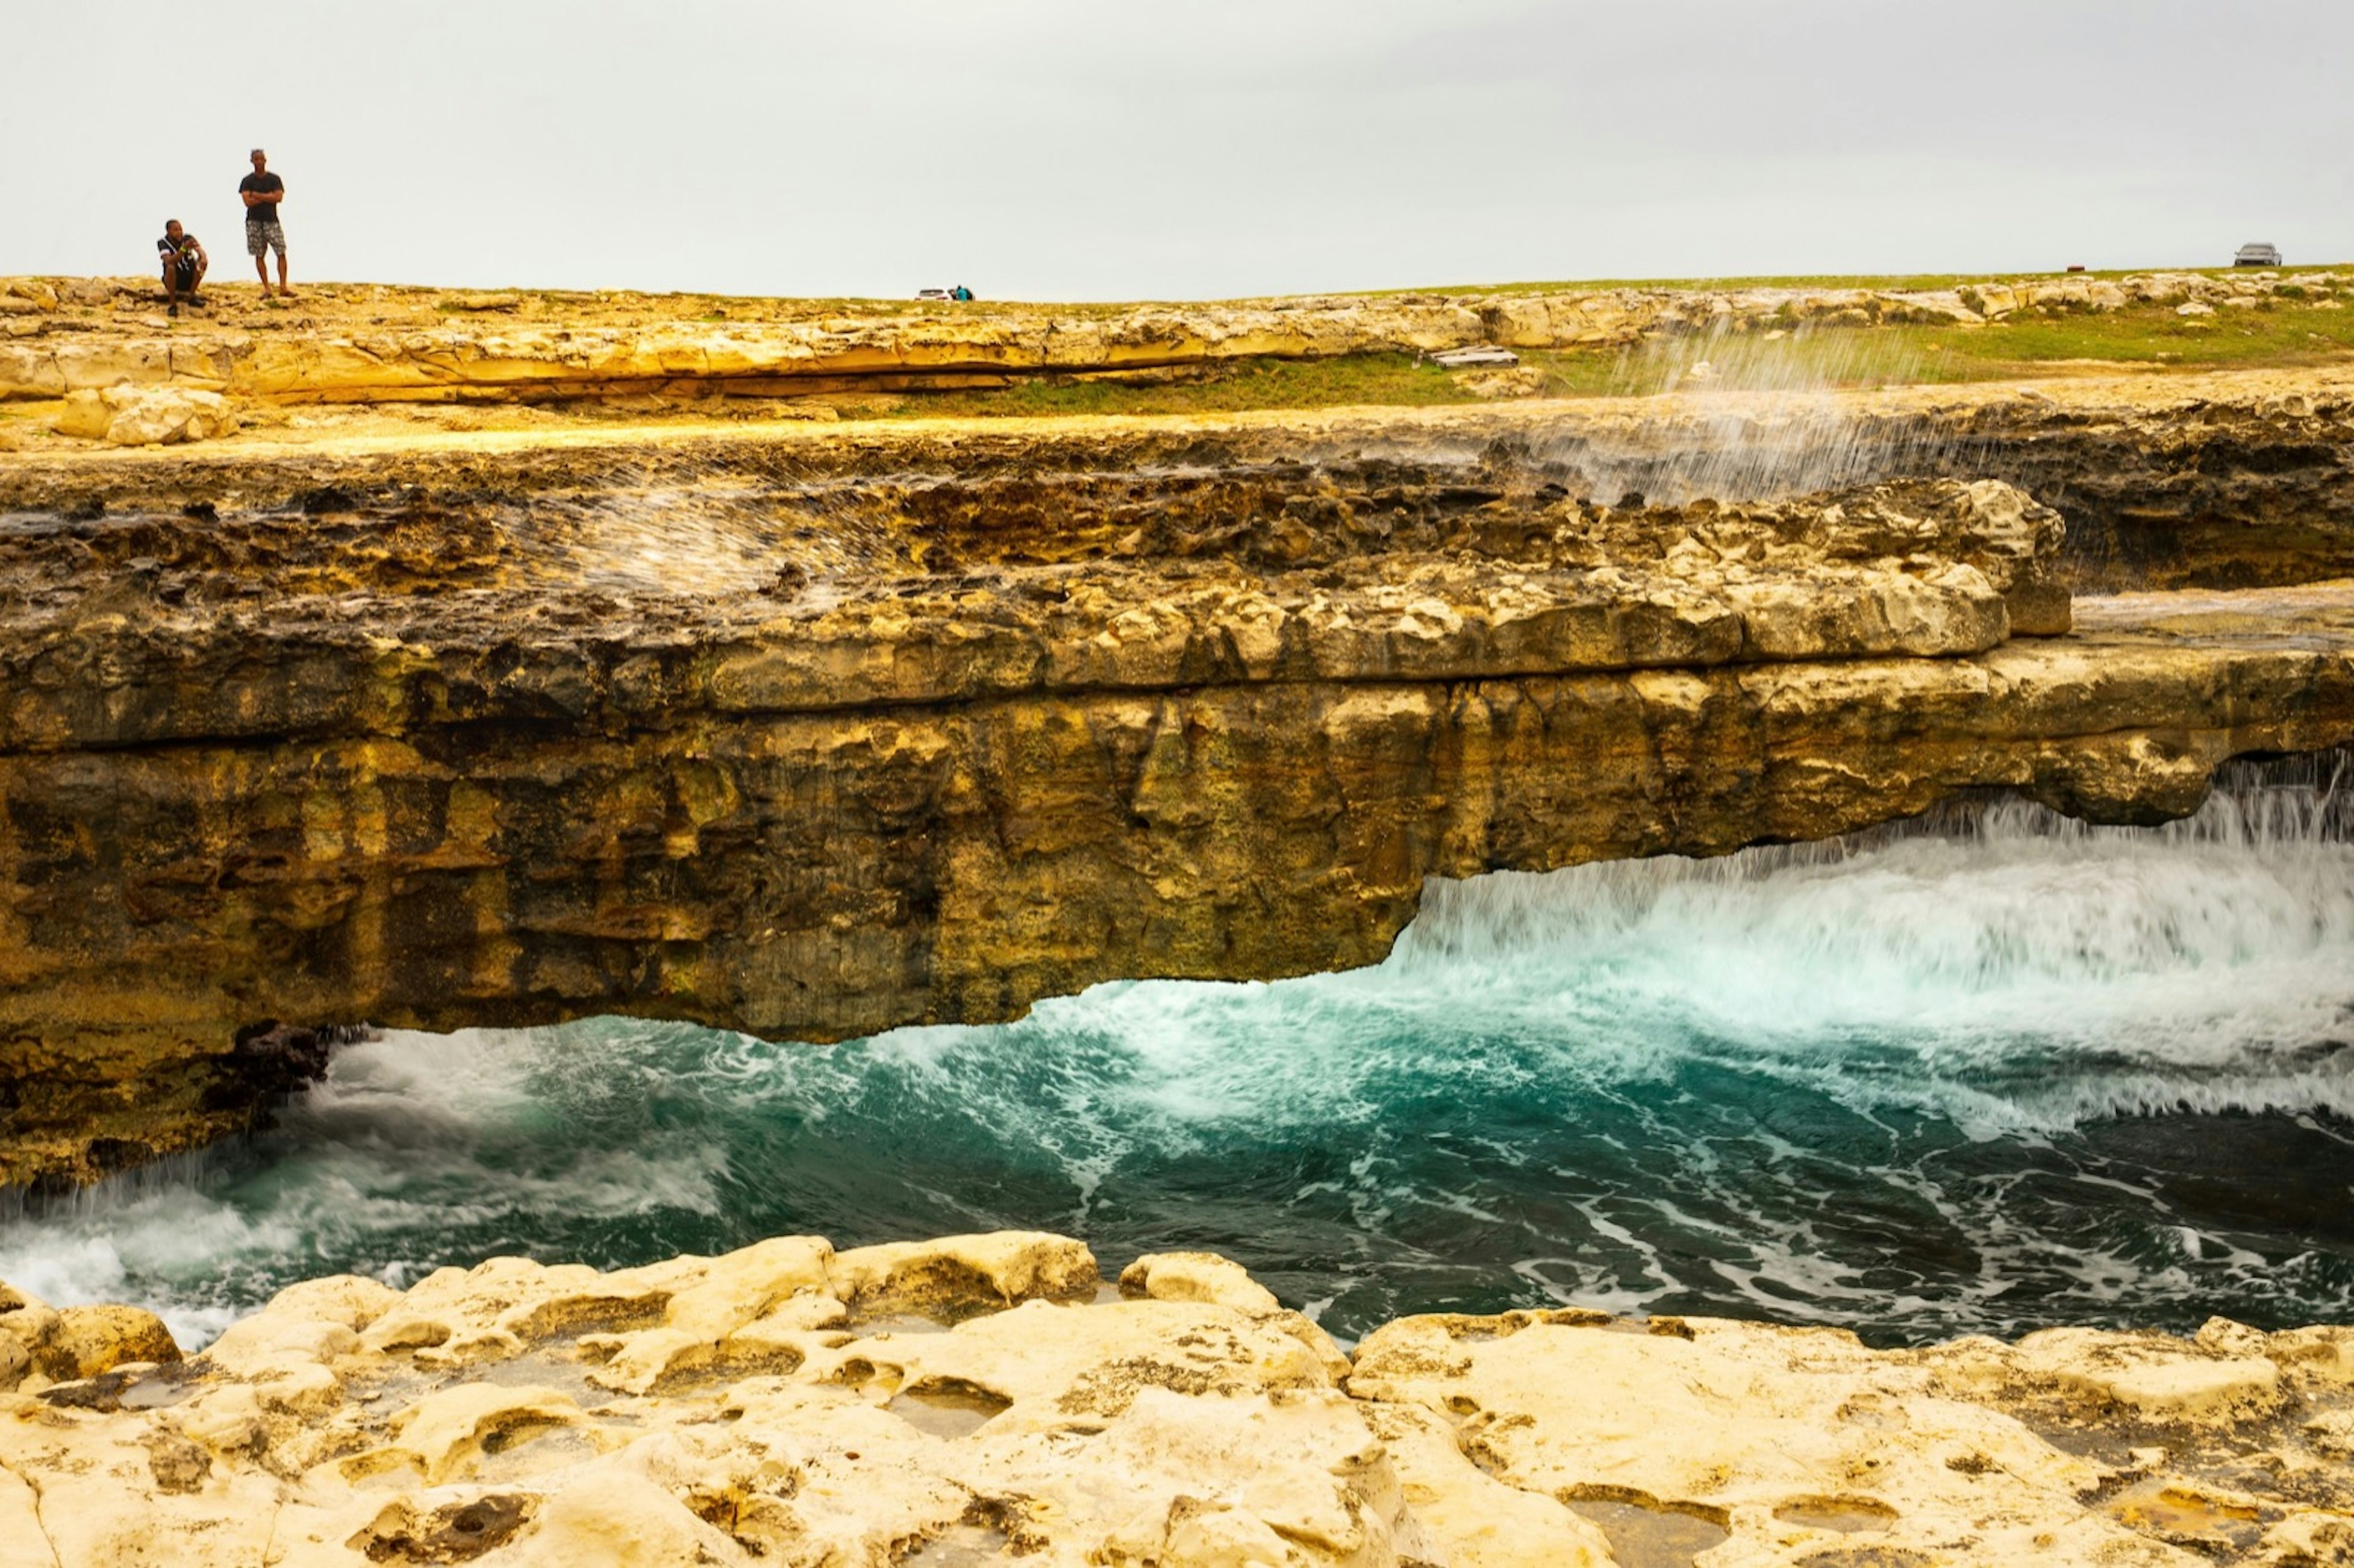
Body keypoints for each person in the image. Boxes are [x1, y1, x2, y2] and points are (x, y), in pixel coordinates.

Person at [239, 148, 292, 298]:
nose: (259, 162)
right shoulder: (247, 181)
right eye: (256, 159)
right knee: (259, 254)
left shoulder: (274, 179)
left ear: (265, 160)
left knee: (281, 251)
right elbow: (247, 202)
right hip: (254, 222)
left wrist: (257, 195)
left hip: (271, 220)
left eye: (261, 159)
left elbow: (278, 198)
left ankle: (283, 287)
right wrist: (268, 196)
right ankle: (267, 288)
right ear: (252, 161)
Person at [156, 220, 207, 316]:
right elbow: (169, 261)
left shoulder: (187, 238)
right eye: (176, 230)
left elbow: (200, 250)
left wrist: (203, 257)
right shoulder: (163, 243)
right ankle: (173, 304)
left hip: (188, 275)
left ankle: (191, 297)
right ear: (169, 231)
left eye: (180, 229)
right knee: (170, 267)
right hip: (174, 278)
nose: (179, 232)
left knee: (201, 263)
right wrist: (183, 250)